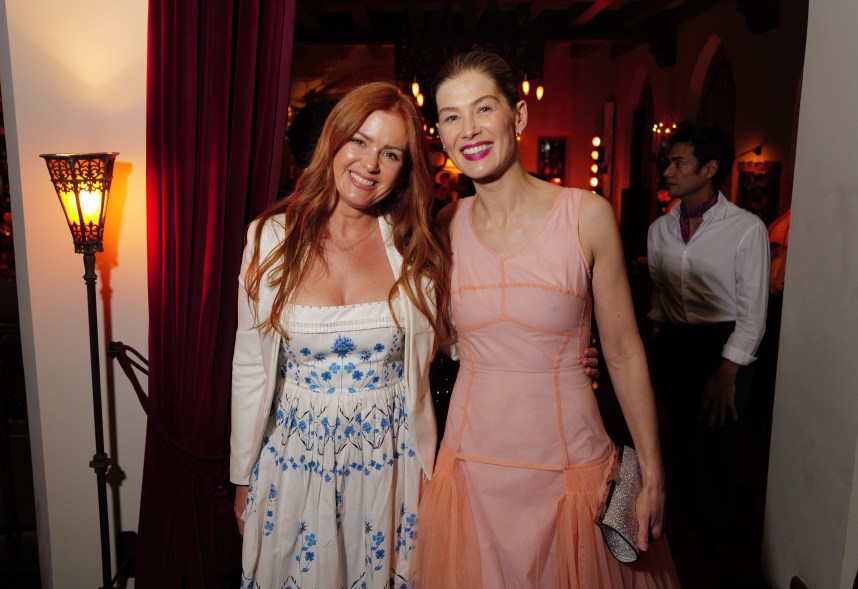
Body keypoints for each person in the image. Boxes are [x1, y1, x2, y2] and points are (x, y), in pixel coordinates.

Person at [413, 51, 679, 588]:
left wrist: (652, 472)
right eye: (451, 116)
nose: (469, 129)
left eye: (483, 108)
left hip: (569, 463)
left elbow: (626, 351)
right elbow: (438, 336)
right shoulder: (443, 225)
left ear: (519, 116)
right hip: (471, 465)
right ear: (438, 133)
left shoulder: (586, 214)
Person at [229, 82, 453, 589]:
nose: (370, 163)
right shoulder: (269, 238)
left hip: (390, 468)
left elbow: (463, 343)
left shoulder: (416, 250)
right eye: (359, 140)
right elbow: (249, 364)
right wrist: (241, 475)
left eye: (390, 152)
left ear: (404, 170)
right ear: (333, 141)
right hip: (293, 466)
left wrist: (562, 352)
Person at [646, 123, 770, 565]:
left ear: (710, 168)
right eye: (669, 162)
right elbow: (659, 297)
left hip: (725, 347)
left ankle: (715, 551)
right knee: (675, 442)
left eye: (680, 162)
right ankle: (674, 540)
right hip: (676, 345)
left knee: (718, 449)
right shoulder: (660, 230)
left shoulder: (745, 228)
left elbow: (753, 310)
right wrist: (657, 339)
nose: (669, 170)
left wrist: (727, 371)